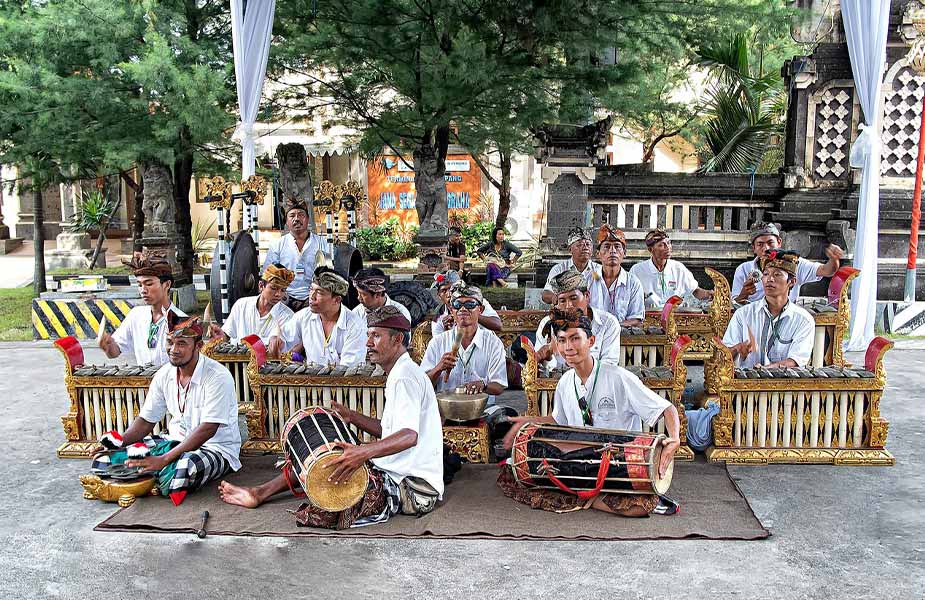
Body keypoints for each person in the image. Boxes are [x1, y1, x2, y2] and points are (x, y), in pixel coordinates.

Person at [218, 305, 444, 529]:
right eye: (368, 335)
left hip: (414, 488)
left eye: (375, 336)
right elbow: (392, 431)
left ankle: (259, 493)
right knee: (328, 456)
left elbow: (408, 437)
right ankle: (259, 492)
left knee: (334, 484)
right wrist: (352, 416)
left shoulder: (405, 377)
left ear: (397, 339)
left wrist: (362, 452)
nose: (368, 343)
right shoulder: (399, 372)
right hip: (397, 472)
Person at [499, 308, 681, 517]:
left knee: (637, 509)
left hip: (619, 462)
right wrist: (526, 422)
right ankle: (590, 496)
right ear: (556, 346)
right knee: (515, 473)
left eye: (575, 338)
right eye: (562, 340)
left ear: (591, 341)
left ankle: (579, 495)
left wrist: (674, 439)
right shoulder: (566, 382)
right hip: (582, 461)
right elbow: (558, 421)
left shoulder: (618, 377)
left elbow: (667, 409)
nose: (568, 347)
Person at [92, 315, 240, 506]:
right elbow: (146, 420)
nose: (173, 349)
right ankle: (156, 477)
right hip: (173, 441)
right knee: (104, 460)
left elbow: (208, 428)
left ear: (198, 346)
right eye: (170, 342)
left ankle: (149, 477)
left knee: (185, 468)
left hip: (216, 448)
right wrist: (118, 443)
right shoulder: (164, 374)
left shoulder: (218, 376)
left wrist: (163, 459)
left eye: (181, 343)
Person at [722, 249, 816, 369]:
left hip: (784, 384)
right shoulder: (743, 314)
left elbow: (796, 360)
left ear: (792, 282)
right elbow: (724, 355)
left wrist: (766, 369)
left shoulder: (804, 320)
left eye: (777, 274)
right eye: (766, 274)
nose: (769, 279)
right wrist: (737, 349)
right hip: (747, 384)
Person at [421, 283, 508, 405]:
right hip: (446, 409)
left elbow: (499, 386)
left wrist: (483, 385)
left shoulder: (492, 343)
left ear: (480, 310)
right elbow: (422, 384)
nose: (463, 309)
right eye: (457, 305)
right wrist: (438, 368)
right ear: (451, 310)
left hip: (482, 409)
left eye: (469, 305)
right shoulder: (438, 342)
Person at [98, 256, 186, 366]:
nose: (143, 290)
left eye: (149, 284)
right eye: (140, 285)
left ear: (167, 285)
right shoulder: (136, 315)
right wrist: (108, 345)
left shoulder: (182, 321)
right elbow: (114, 352)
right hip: (143, 381)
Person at [269, 267, 366, 366]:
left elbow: (349, 371)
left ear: (337, 300)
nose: (312, 296)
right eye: (311, 289)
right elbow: (283, 338)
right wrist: (276, 340)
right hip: (311, 380)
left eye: (319, 292)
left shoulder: (355, 326)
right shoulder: (304, 316)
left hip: (342, 381)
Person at [732, 222, 844, 304]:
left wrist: (834, 259)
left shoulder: (794, 264)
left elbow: (826, 270)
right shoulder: (743, 270)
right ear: (754, 248)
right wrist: (744, 293)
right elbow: (735, 304)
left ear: (779, 242)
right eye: (760, 244)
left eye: (770, 243)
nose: (766, 248)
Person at [534, 269, 621, 370]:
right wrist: (547, 357)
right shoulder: (547, 324)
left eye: (573, 298)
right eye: (562, 301)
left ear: (587, 296)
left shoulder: (608, 323)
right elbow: (541, 367)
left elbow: (608, 367)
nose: (568, 305)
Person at [263, 198, 332, 312]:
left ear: (308, 219)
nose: (296, 219)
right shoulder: (278, 245)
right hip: (284, 298)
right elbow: (268, 274)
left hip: (313, 297)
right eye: (292, 215)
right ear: (286, 221)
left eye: (301, 215)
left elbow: (329, 271)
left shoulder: (322, 243)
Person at [208, 263, 295, 344]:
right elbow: (227, 334)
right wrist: (220, 336)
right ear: (261, 286)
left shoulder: (287, 316)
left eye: (283, 290)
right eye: (274, 288)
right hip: (238, 359)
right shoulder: (241, 305)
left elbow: (280, 350)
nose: (278, 294)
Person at [629, 228, 713, 309]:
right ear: (651, 250)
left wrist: (709, 294)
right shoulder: (637, 270)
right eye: (661, 245)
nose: (668, 247)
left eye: (669, 243)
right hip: (648, 318)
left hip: (674, 318)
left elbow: (695, 290)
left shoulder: (678, 268)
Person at [588, 224, 645, 326]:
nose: (612, 251)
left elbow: (636, 319)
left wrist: (612, 328)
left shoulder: (632, 282)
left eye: (617, 247)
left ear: (624, 253)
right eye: (607, 246)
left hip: (622, 336)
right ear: (598, 254)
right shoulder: (589, 278)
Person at [542, 226, 601, 304]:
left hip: (594, 313)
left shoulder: (599, 270)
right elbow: (545, 294)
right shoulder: (559, 269)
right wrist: (557, 299)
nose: (585, 248)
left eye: (588, 244)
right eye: (579, 245)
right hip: (568, 313)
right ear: (570, 249)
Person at [430, 271, 502, 335]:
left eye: (453, 288)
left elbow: (497, 325)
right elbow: (439, 346)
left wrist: (473, 315)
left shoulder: (477, 302)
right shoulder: (438, 319)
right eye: (444, 291)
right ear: (439, 295)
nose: (449, 294)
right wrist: (446, 331)